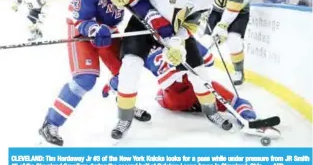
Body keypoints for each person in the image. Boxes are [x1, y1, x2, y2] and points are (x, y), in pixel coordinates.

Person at [38, 0, 150, 146]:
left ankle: (125, 103)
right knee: (85, 79)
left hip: (108, 31)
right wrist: (94, 28)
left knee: (127, 72)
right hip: (81, 32)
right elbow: (80, 20)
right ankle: (50, 124)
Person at [108, 0, 231, 140]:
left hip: (173, 32)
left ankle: (211, 110)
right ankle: (124, 117)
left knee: (198, 71)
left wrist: (177, 42)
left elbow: (190, 25)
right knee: (130, 66)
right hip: (143, 24)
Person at [104, 43, 280, 139]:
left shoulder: (140, 47)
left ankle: (195, 107)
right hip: (196, 89)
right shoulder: (182, 38)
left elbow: (125, 77)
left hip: (170, 100)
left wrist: (111, 87)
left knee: (162, 95)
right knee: (234, 101)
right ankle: (249, 119)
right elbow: (209, 60)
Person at [202, 0, 250, 86]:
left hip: (239, 12)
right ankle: (198, 68)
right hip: (217, 9)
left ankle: (239, 71)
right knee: (206, 40)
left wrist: (222, 26)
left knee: (233, 40)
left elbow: (233, 8)